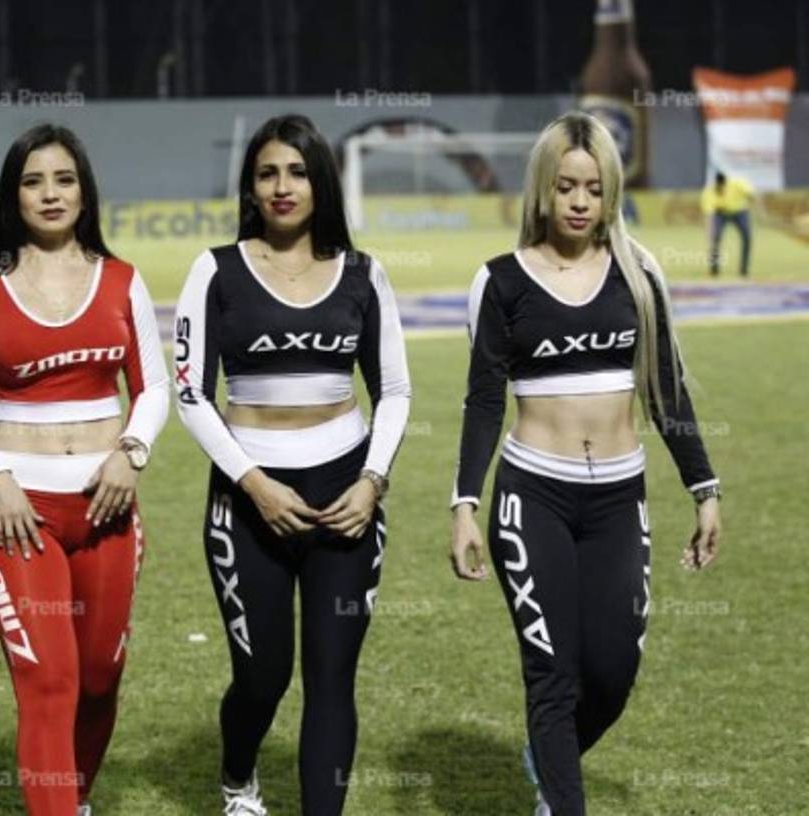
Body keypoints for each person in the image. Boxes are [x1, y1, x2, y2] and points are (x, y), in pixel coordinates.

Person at [448, 112, 723, 816]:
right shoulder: (501, 282)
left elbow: (668, 388)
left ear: (610, 194)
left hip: (616, 504)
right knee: (552, 675)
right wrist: (465, 506)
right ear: (543, 188)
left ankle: (548, 758)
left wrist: (704, 488)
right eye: (566, 186)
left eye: (593, 189)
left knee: (612, 671)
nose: (578, 202)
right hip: (531, 497)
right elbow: (483, 402)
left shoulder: (638, 273)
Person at [173, 113, 412, 815]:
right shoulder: (216, 270)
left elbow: (394, 391)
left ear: (321, 182)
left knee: (332, 679)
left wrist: (372, 481)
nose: (283, 187)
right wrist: (252, 482)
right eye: (268, 173)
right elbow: (190, 393)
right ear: (250, 185)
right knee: (263, 676)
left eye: (298, 172)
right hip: (248, 503)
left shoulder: (364, 274)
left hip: (347, 501)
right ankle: (239, 779)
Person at [0, 124, 168, 816]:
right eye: (34, 181)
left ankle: (73, 799)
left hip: (107, 510)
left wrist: (132, 452)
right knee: (50, 683)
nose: (51, 193)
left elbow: (154, 387)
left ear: (85, 191)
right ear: (13, 197)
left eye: (64, 179)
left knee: (99, 679)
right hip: (20, 515)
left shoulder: (122, 280)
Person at [700, 170, 754, 277]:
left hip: (739, 212)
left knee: (747, 237)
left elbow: (751, 194)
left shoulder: (737, 184)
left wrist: (751, 203)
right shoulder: (709, 191)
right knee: (715, 238)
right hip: (720, 213)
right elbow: (709, 215)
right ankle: (714, 269)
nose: (721, 188)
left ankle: (744, 269)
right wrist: (710, 230)